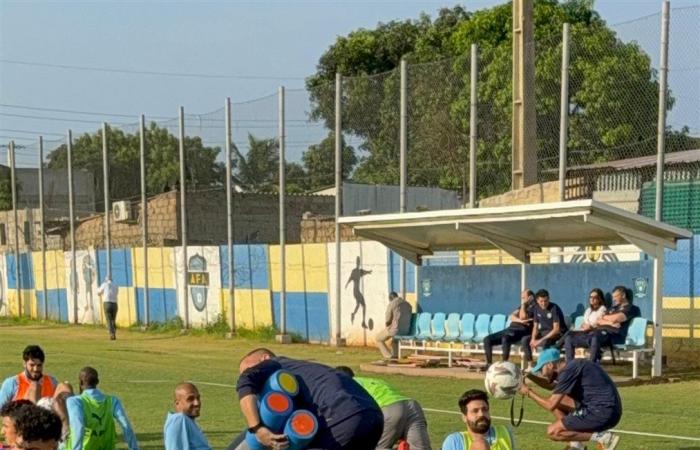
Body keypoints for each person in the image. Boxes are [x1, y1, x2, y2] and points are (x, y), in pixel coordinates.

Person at [235, 348, 383, 450]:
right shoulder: (303, 370)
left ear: (265, 358)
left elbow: (246, 382)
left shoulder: (275, 364)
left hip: (342, 417)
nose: (246, 372)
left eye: (247, 368)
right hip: (374, 416)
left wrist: (257, 428)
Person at [519, 349, 621, 450]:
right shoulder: (571, 367)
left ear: (550, 365)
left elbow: (550, 405)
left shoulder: (569, 370)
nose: (542, 374)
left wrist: (528, 392)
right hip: (608, 409)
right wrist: (529, 375)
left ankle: (604, 437)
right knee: (559, 402)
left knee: (554, 432)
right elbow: (551, 386)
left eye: (542, 369)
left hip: (603, 411)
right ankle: (576, 444)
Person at [335, 366, 430, 450]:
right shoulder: (374, 380)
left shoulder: (349, 384)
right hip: (412, 406)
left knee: (378, 447)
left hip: (389, 408)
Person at [65, 367, 139, 450]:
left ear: (80, 382)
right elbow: (126, 425)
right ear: (97, 382)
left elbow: (78, 427)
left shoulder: (74, 401)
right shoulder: (112, 400)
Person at [565, 286, 640, 363]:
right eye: (613, 297)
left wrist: (606, 318)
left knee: (595, 337)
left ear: (623, 295)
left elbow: (617, 318)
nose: (613, 299)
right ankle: (570, 366)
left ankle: (592, 366)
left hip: (613, 335)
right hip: (597, 333)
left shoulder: (631, 308)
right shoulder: (613, 308)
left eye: (616, 296)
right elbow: (599, 320)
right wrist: (610, 322)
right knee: (569, 338)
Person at [441, 389, 515, 450]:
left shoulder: (505, 433)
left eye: (485, 409)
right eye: (475, 411)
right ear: (464, 417)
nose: (481, 414)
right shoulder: (455, 441)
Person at [483, 290, 535, 367]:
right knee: (487, 339)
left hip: (521, 330)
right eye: (522, 298)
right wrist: (520, 321)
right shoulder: (522, 306)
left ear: (530, 297)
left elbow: (523, 316)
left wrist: (524, 305)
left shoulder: (534, 307)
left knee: (505, 338)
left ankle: (504, 364)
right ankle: (489, 364)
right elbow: (511, 316)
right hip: (510, 329)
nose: (522, 300)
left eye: (524, 298)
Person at [524, 289, 567, 369]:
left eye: (546, 301)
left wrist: (539, 340)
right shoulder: (536, 308)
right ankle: (530, 366)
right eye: (541, 301)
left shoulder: (554, 308)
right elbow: (535, 326)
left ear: (549, 299)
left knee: (546, 342)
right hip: (544, 333)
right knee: (525, 340)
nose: (544, 303)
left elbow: (556, 329)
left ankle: (545, 368)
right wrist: (533, 339)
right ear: (537, 300)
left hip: (558, 334)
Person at [164, 382, 211, 450]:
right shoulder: (178, 420)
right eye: (190, 399)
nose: (197, 403)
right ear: (177, 403)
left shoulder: (187, 420)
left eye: (198, 398)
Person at [563, 289, 607, 362]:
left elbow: (597, 322)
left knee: (570, 334)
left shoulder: (602, 309)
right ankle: (570, 365)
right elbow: (584, 323)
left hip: (594, 334)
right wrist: (585, 325)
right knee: (569, 336)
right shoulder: (588, 310)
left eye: (594, 297)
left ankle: (556, 347)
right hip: (584, 333)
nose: (592, 299)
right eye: (590, 297)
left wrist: (589, 326)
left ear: (600, 299)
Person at [375, 292, 412, 360]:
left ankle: (388, 356)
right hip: (406, 330)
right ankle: (395, 355)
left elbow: (387, 318)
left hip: (395, 330)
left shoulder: (392, 303)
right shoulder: (408, 304)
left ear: (390, 298)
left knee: (378, 339)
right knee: (395, 340)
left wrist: (387, 325)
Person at [345, 257, 372, 329]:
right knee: (364, 305)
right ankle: (363, 322)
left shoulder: (359, 271)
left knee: (358, 305)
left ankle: (353, 314)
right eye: (358, 262)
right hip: (356, 291)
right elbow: (350, 278)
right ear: (357, 262)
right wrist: (347, 284)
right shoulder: (355, 271)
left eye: (359, 262)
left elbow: (364, 272)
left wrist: (369, 272)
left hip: (356, 291)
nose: (358, 263)